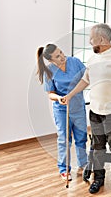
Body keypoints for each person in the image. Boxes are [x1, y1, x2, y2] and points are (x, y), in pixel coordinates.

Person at [60, 23, 111, 196]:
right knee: (97, 147)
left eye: (91, 38)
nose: (89, 41)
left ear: (101, 39)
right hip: (95, 111)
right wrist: (70, 94)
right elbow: (85, 80)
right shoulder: (93, 59)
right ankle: (98, 179)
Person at [36, 44, 88, 181]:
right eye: (57, 56)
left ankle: (84, 164)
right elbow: (50, 94)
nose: (62, 57)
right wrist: (59, 98)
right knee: (64, 139)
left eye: (61, 52)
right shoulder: (49, 71)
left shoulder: (75, 62)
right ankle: (64, 169)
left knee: (81, 137)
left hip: (78, 107)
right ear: (51, 60)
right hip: (61, 110)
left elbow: (87, 78)